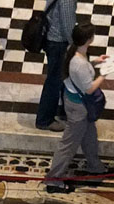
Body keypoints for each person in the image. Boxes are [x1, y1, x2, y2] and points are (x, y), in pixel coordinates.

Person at [45, 23, 108, 195]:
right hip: (79, 108)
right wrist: (104, 74)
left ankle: (95, 167)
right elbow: (89, 88)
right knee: (68, 144)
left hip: (75, 103)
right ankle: (53, 180)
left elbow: (81, 68)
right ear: (89, 39)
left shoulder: (74, 52)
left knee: (89, 136)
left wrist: (96, 62)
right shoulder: (78, 62)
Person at [35, 0, 76, 131]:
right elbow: (68, 25)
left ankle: (66, 111)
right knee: (54, 82)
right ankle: (45, 120)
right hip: (58, 43)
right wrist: (74, 46)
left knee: (62, 78)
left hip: (51, 39)